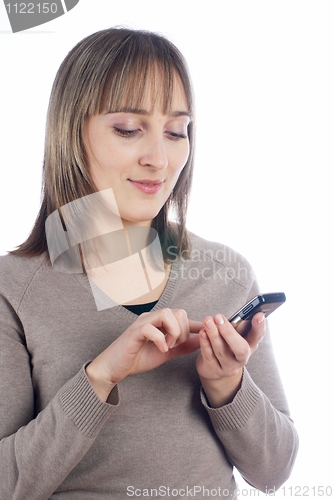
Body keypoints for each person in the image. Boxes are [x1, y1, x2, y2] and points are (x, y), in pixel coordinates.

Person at [0, 27, 298, 500]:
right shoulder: (13, 288)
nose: (160, 158)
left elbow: (274, 471)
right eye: (127, 130)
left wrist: (227, 385)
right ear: (71, 134)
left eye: (177, 132)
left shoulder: (226, 274)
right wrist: (100, 376)